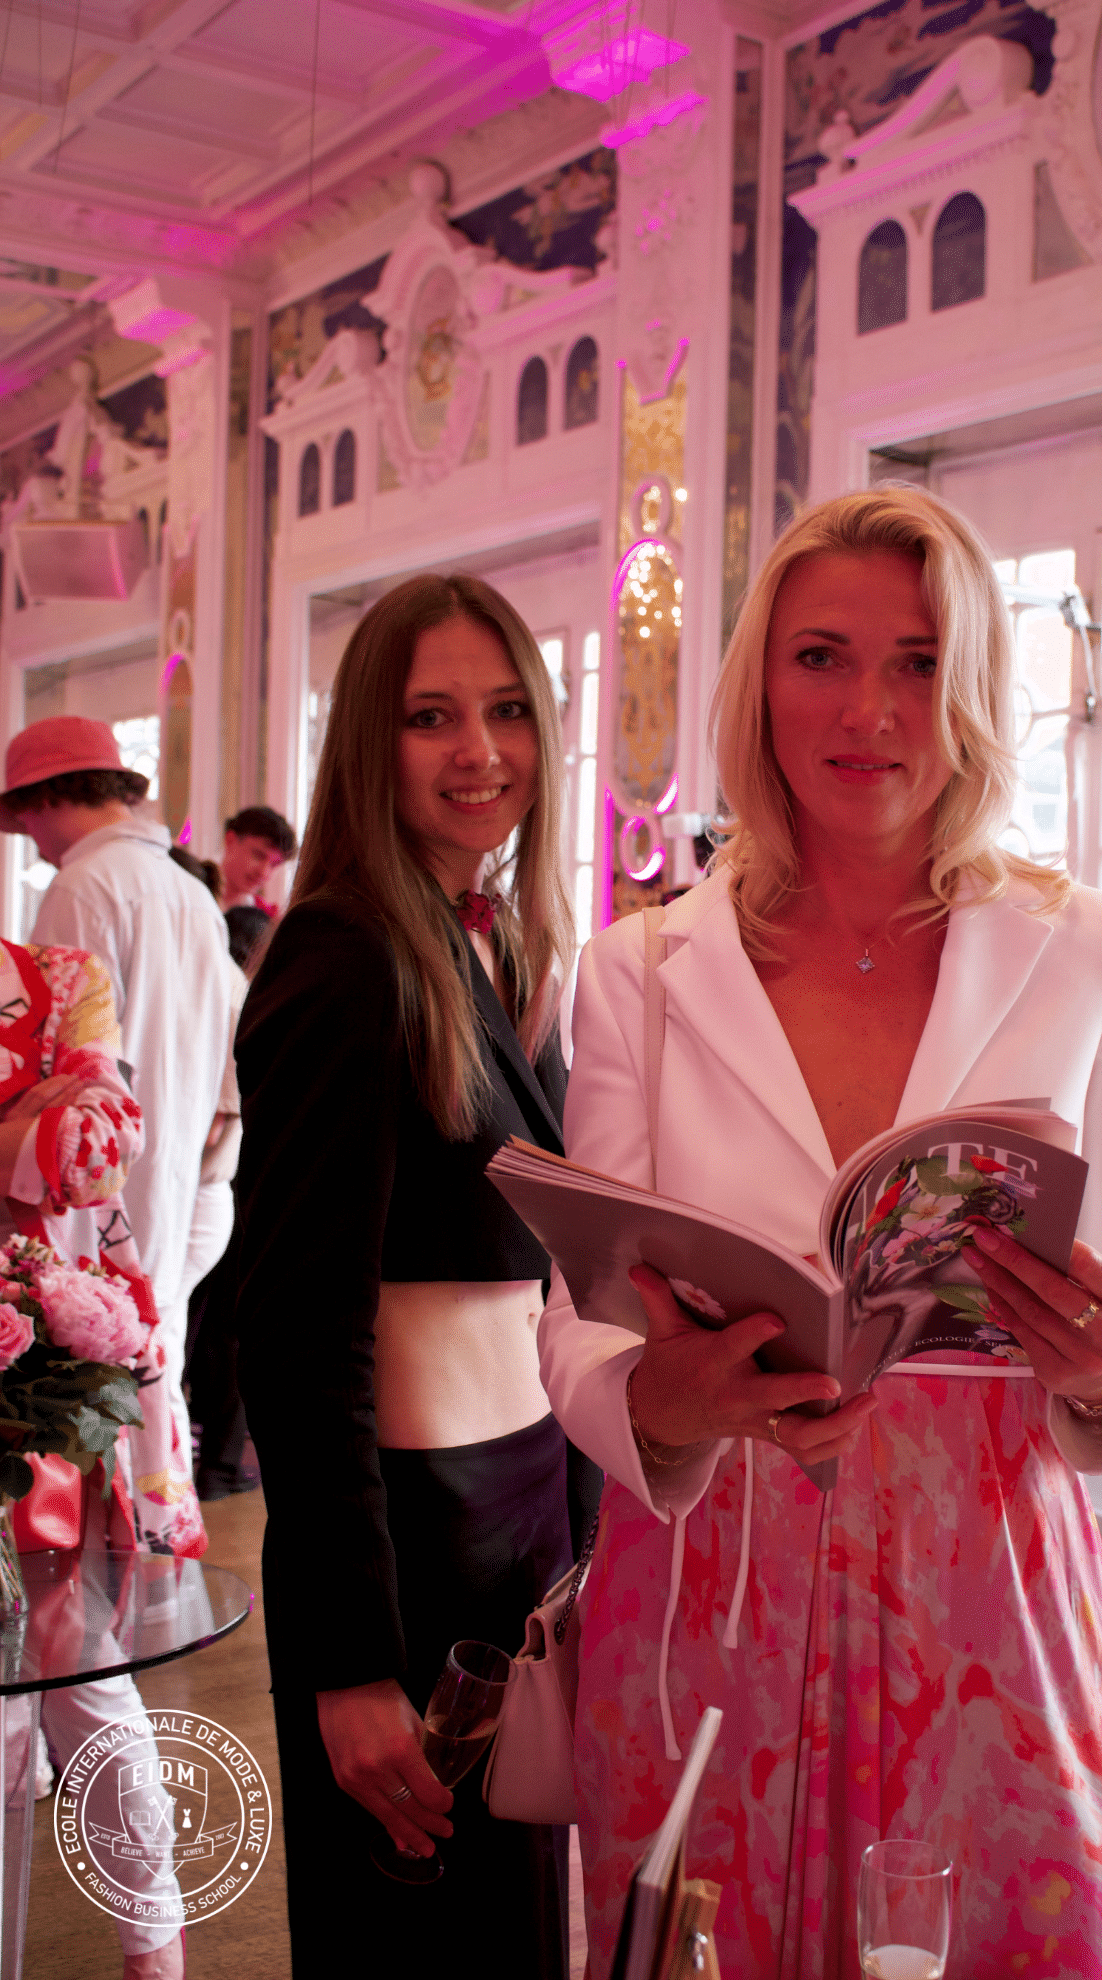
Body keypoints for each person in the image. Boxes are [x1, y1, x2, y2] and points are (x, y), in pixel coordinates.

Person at [539, 489, 1102, 1979]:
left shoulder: (1090, 947)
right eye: (821, 655)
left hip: (993, 1577)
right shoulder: (639, 970)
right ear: (759, 680)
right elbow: (578, 1317)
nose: (868, 711)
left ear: (975, 687)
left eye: (919, 661)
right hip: (714, 1576)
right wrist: (657, 1397)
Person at [235, 574, 591, 1977]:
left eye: (507, 710)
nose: (479, 750)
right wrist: (349, 1662)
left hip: (518, 1522)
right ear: (368, 742)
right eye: (431, 716)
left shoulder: (492, 943)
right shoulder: (345, 956)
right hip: (410, 1552)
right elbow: (297, 1329)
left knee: (507, 1932)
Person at [0, 927, 188, 1980]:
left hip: (38, 1377)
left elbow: (96, 1148)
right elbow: (59, 1144)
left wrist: (50, 1132)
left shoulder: (62, 978)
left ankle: (154, 1948)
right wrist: (27, 1125)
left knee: (78, 1667)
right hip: (41, 1349)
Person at [0, 716, 235, 1555]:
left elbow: (54, 1076)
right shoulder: (190, 890)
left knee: (100, 1397)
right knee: (150, 1374)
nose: (28, 839)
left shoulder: (83, 887)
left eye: (25, 814)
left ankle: (117, 1565)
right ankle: (158, 1559)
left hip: (97, 1189)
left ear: (48, 797)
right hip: (188, 1172)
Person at [209, 804, 297, 915]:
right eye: (258, 855)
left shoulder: (268, 918)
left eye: (274, 864)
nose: (263, 872)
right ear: (230, 840)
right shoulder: (192, 891)